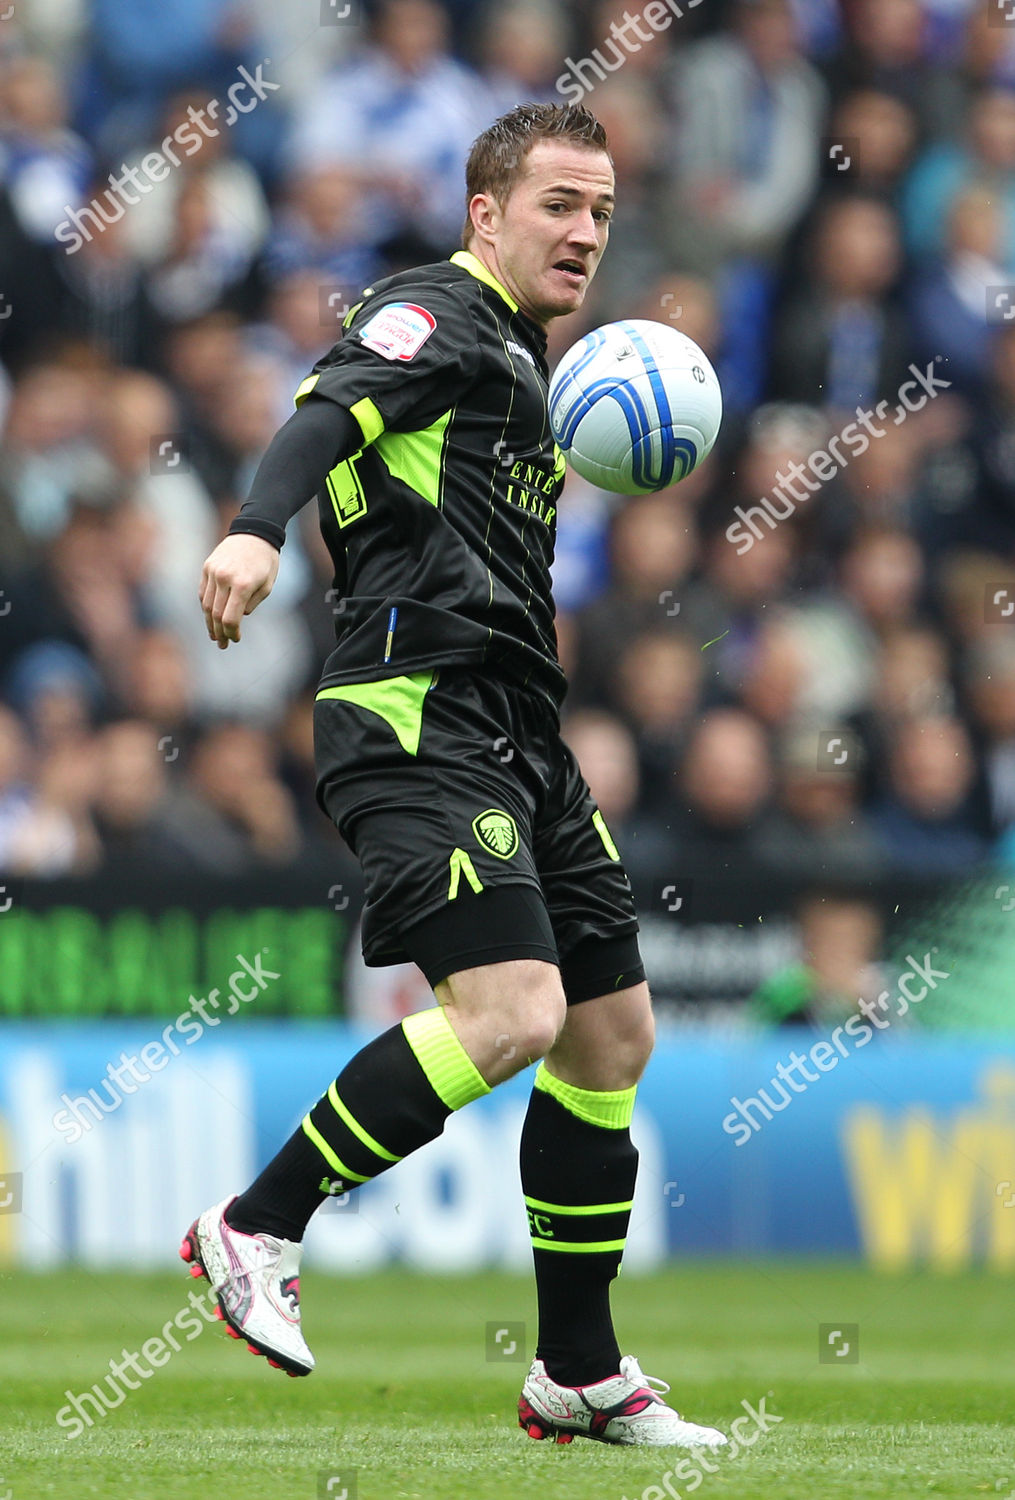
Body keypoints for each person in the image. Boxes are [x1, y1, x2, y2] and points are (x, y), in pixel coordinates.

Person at [180, 102, 727, 1452]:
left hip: (518, 734)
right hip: (414, 713)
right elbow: (326, 407)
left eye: (600, 211)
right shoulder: (439, 313)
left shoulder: (528, 372)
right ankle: (254, 1224)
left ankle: (579, 1375)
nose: (585, 233)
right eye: (558, 205)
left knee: (611, 1037)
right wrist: (255, 529)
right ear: (487, 213)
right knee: (514, 1014)